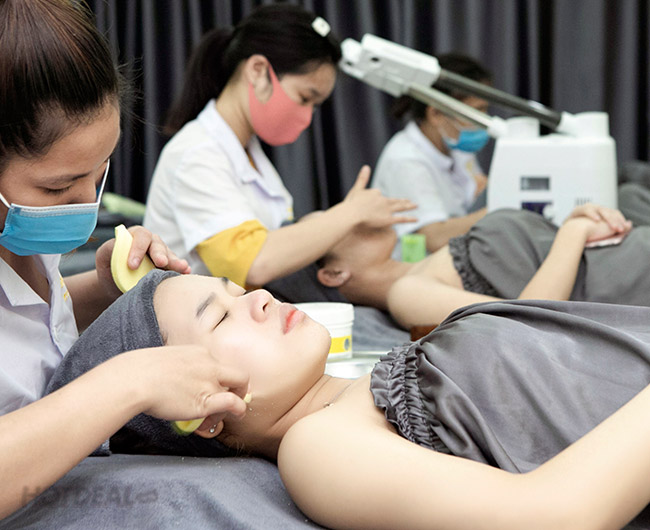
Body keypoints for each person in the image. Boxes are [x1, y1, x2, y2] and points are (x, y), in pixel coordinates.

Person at [48, 269, 650, 530]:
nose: (259, 297)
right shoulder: (318, 447)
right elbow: (557, 514)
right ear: (202, 414)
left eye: (237, 289)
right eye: (220, 317)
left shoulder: (371, 385)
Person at [0, 0, 251, 521]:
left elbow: (28, 324)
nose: (85, 203)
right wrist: (129, 382)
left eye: (100, 171)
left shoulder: (23, 239)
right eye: (58, 188)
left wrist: (102, 290)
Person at [143, 4, 416, 288]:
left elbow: (273, 240)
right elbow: (252, 263)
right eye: (304, 98)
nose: (307, 117)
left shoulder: (248, 153)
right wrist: (351, 213)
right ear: (258, 70)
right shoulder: (196, 153)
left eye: (315, 106)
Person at [271, 203, 639, 329]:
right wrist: (573, 232)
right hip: (626, 283)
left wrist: (575, 221)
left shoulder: (430, 261)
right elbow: (529, 320)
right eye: (332, 222)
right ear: (333, 274)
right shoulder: (406, 294)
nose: (352, 213)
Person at [371, 52, 493, 255]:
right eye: (476, 112)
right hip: (414, 268)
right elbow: (435, 237)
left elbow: (476, 193)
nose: (485, 121)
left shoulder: (457, 146)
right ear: (436, 114)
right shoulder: (405, 160)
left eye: (485, 110)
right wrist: (499, 208)